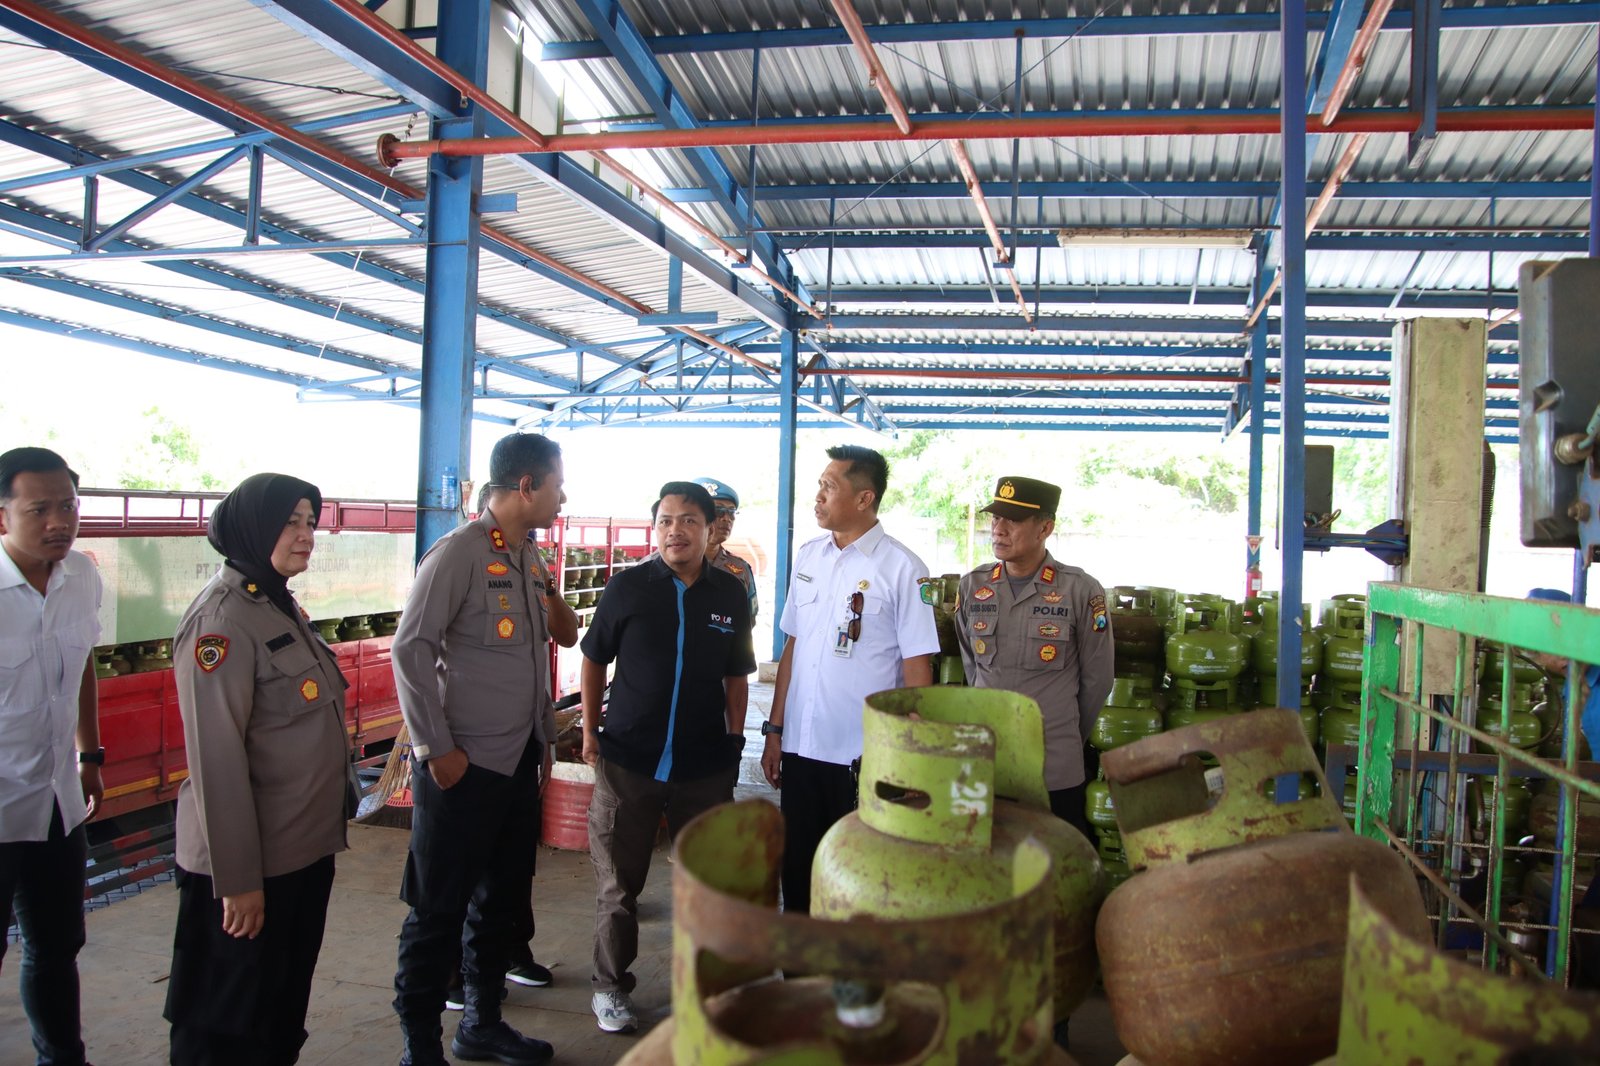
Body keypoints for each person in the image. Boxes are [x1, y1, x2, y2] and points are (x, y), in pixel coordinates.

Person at [390, 433, 565, 1066]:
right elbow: (410, 648)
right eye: (556, 485)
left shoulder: (528, 557)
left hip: (516, 761)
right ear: (527, 486)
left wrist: (543, 741)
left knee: (499, 903)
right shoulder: (458, 553)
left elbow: (551, 641)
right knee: (437, 908)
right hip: (462, 767)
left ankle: (481, 1024)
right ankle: (419, 1045)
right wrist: (435, 748)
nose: (562, 497)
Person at [163, 472, 350, 1065]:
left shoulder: (275, 604)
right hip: (250, 869)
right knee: (223, 1026)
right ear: (252, 528)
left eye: (310, 522)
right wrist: (238, 881)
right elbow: (216, 761)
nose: (306, 535)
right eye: (290, 522)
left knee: (277, 1017)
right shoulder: (221, 622)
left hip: (300, 855)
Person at [579, 481, 755, 1034]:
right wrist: (590, 731)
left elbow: (737, 675)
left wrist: (734, 742)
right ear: (655, 529)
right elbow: (593, 659)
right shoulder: (628, 587)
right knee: (618, 885)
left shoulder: (730, 593)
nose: (675, 531)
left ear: (710, 529)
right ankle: (610, 987)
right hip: (628, 762)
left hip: (703, 766)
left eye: (688, 521)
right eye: (665, 521)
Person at [760, 445, 939, 915]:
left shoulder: (903, 569)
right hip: (802, 748)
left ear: (864, 498)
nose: (818, 496)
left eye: (829, 486)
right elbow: (794, 646)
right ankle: (801, 959)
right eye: (819, 485)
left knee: (860, 878)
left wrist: (910, 754)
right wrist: (775, 731)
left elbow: (917, 668)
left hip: (863, 757)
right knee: (800, 874)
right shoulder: (809, 557)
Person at [0, 447, 102, 1066]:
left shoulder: (82, 577)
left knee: (57, 946)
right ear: (3, 515)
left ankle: (63, 1058)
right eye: (39, 509)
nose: (59, 521)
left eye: (68, 506)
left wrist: (90, 754)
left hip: (57, 801)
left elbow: (84, 664)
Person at [955, 476, 1114, 840]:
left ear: (1045, 528)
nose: (998, 528)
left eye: (1012, 520)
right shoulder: (973, 585)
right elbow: (972, 666)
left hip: (1053, 763)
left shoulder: (1080, 590)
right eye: (996, 518)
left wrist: (1065, 734)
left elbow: (1098, 679)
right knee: (987, 858)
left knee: (1055, 860)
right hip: (987, 760)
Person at [694, 476, 759, 620]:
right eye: (718, 510)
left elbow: (748, 619)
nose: (726, 518)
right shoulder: (662, 564)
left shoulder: (740, 569)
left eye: (731, 512)